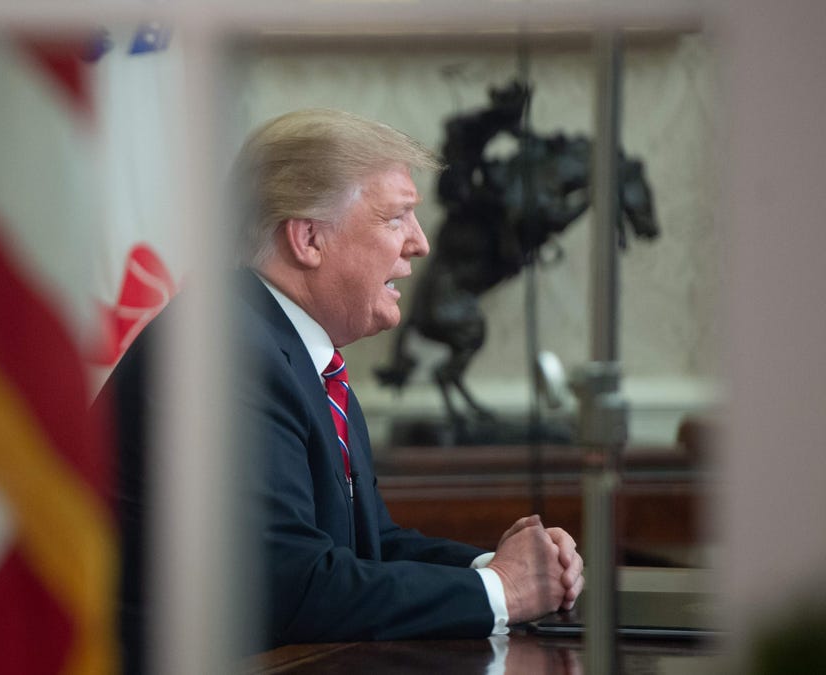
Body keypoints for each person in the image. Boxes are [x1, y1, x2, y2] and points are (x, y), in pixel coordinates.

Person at [95, 109, 584, 671]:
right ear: (308, 239)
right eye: (396, 218)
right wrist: (503, 591)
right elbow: (292, 585)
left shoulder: (292, 350)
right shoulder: (225, 352)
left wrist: (501, 567)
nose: (421, 244)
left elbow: (368, 545)